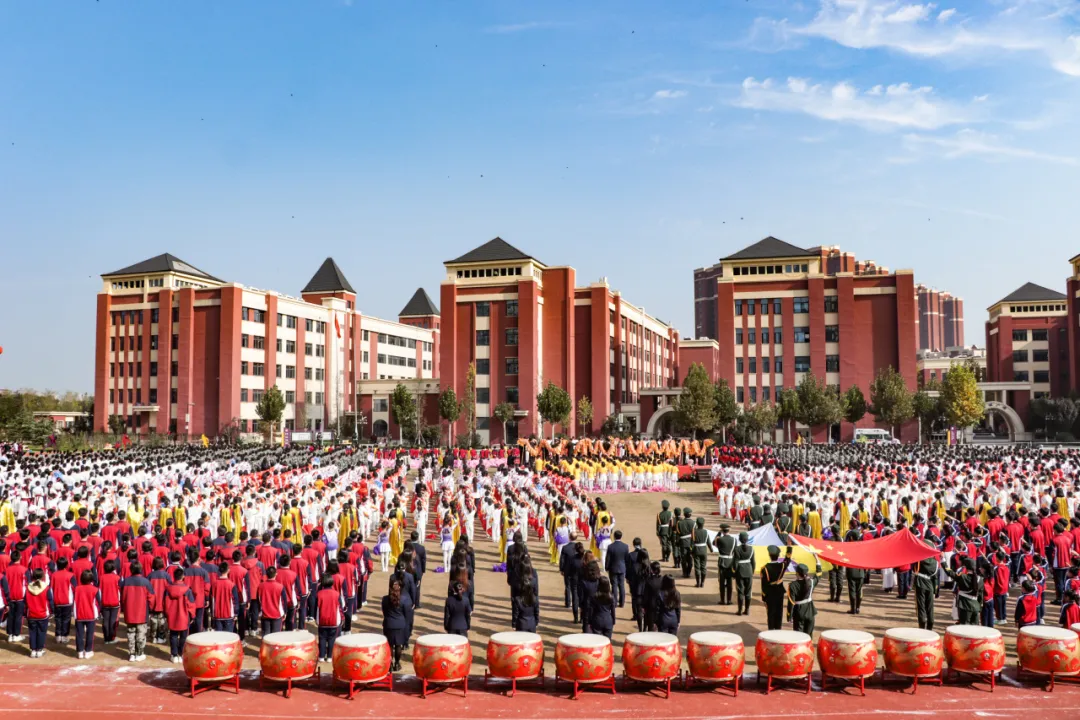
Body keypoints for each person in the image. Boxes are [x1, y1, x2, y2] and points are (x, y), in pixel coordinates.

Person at [120, 561, 154, 662]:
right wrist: (151, 609)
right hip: (142, 612)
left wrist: (123, 608)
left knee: (131, 633)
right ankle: (140, 652)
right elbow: (151, 597)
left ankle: (132, 653)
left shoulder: (126, 581)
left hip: (129, 611)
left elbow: (122, 597)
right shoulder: (146, 582)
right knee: (141, 633)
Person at [163, 566, 195, 664]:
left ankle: (174, 655)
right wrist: (192, 615)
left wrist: (166, 614)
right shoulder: (187, 590)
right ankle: (181, 654)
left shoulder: (168, 590)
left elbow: (164, 603)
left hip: (172, 616)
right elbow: (191, 604)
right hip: (184, 616)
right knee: (183, 636)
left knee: (173, 636)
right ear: (183, 577)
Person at [382, 576, 414, 672]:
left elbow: (384, 611)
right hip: (400, 625)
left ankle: (390, 664)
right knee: (398, 645)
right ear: (400, 588)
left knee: (390, 645)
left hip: (389, 624)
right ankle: (397, 663)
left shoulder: (385, 599)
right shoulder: (404, 600)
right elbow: (407, 614)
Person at [760, 545, 791, 630]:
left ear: (769, 555)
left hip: (770, 593)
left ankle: (771, 630)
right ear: (778, 556)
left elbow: (764, 585)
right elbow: (788, 560)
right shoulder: (782, 566)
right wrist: (789, 546)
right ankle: (778, 630)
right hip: (779, 592)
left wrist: (764, 598)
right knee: (779, 612)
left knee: (770, 613)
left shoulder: (764, 568)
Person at [315, 574, 343, 663]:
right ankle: (330, 656)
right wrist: (341, 619)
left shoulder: (319, 594)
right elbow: (340, 607)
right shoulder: (337, 594)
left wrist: (317, 620)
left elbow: (317, 608)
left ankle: (321, 656)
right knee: (332, 639)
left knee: (322, 638)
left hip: (322, 620)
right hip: (333, 620)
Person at [25, 568, 51, 659]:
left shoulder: (28, 587)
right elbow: (50, 600)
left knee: (32, 632)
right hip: (42, 614)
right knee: (41, 632)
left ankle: (33, 650)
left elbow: (25, 601)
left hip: (31, 614)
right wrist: (51, 611)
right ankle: (39, 650)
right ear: (43, 576)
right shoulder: (46, 587)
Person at [786, 562, 819, 636]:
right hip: (810, 611)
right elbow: (818, 574)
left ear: (797, 573)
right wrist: (817, 562)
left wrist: (789, 616)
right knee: (809, 636)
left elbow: (791, 602)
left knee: (798, 636)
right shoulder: (811, 582)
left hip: (799, 612)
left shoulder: (792, 585)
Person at [73, 570, 99, 659]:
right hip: (91, 615)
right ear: (91, 579)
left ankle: (80, 651)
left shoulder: (76, 589)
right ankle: (88, 651)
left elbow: (74, 601)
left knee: (79, 634)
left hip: (79, 614)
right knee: (90, 634)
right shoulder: (95, 589)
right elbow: (99, 602)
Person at [913, 545, 939, 631]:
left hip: (920, 583)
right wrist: (935, 591)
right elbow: (935, 577)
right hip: (930, 585)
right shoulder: (935, 562)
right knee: (930, 607)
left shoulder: (919, 559)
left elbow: (914, 568)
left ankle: (922, 626)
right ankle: (930, 626)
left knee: (921, 607)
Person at [510, 560, 540, 632]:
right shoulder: (535, 598)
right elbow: (536, 612)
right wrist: (536, 622)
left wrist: (514, 624)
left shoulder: (517, 576)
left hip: (521, 624)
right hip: (532, 623)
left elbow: (515, 614)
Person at [605, 530, 629, 608]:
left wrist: (606, 567)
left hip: (613, 568)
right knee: (621, 585)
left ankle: (614, 602)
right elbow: (626, 559)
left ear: (614, 536)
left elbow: (608, 559)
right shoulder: (625, 546)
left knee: (614, 586)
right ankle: (622, 603)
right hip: (622, 568)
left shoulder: (611, 546)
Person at [733, 531, 755, 616]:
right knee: (748, 592)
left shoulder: (737, 549)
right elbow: (753, 562)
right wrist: (751, 571)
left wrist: (735, 571)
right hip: (749, 571)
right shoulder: (751, 549)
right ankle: (747, 609)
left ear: (740, 539)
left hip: (740, 571)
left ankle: (739, 610)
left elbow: (735, 562)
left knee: (740, 592)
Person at [714, 524, 735, 606]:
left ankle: (722, 600)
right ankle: (729, 600)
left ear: (722, 530)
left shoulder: (719, 539)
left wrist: (718, 534)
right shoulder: (734, 540)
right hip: (730, 562)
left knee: (722, 582)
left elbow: (714, 543)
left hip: (722, 562)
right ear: (729, 530)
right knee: (730, 583)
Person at [578, 557, 601, 633]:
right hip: (598, 607)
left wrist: (581, 606)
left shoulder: (583, 582)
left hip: (587, 607)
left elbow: (581, 597)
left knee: (586, 625)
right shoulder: (600, 581)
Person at [692, 516, 710, 588]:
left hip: (696, 550)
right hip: (704, 550)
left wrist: (691, 551)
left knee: (697, 567)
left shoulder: (694, 531)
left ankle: (698, 583)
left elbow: (692, 542)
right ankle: (702, 582)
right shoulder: (706, 531)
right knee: (703, 567)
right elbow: (708, 542)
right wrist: (711, 549)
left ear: (697, 523)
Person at [676, 508, 694, 579]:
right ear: (690, 514)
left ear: (684, 514)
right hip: (690, 542)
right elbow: (694, 534)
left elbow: (678, 533)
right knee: (690, 558)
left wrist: (677, 542)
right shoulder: (693, 523)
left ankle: (684, 572)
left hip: (682, 542)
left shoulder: (680, 523)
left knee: (683, 558)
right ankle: (689, 572)